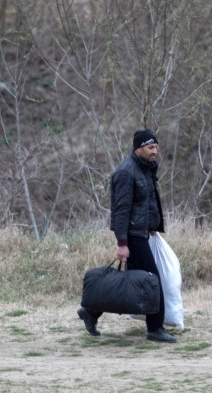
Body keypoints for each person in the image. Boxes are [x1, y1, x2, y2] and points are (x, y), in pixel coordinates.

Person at [77, 129, 176, 343]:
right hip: (132, 236)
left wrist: (151, 225)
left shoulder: (145, 167)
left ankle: (90, 311)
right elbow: (121, 211)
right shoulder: (126, 172)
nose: (155, 152)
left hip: (141, 232)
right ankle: (155, 329)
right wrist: (122, 243)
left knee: (130, 282)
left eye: (156, 147)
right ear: (138, 148)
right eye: (151, 147)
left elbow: (145, 202)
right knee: (152, 279)